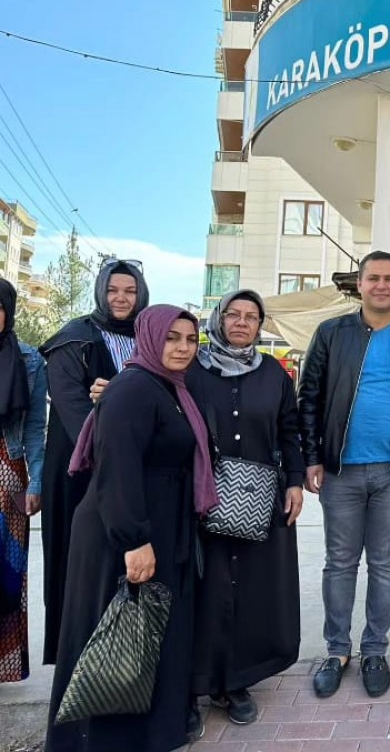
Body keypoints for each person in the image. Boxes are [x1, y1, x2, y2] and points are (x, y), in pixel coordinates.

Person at [45, 306, 217, 751]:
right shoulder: (133, 388)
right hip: (123, 532)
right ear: (149, 338)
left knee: (149, 636)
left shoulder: (170, 387)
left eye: (190, 339)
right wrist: (134, 539)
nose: (182, 348)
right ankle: (103, 741)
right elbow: (117, 467)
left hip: (160, 523)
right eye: (171, 338)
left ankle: (148, 735)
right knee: (116, 640)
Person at [298, 252, 390, 700]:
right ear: (360, 283)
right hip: (341, 470)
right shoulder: (332, 333)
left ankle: (374, 650)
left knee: (385, 564)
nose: (381, 285)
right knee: (339, 562)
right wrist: (311, 457)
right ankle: (337, 651)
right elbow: (309, 397)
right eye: (373, 277)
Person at [187, 290, 304, 726]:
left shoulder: (273, 374)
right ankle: (192, 685)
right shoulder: (191, 368)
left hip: (257, 501)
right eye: (233, 314)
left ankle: (234, 682)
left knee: (249, 591)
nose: (241, 322)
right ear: (218, 319)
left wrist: (295, 481)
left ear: (259, 325)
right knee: (206, 590)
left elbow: (289, 430)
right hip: (201, 501)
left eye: (251, 317)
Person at [38, 257, 148, 664]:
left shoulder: (149, 338)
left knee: (129, 560)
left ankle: (126, 658)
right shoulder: (74, 340)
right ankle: (77, 660)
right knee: (80, 563)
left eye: (130, 291)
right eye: (113, 290)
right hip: (80, 470)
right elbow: (73, 411)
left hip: (135, 469)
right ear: (100, 292)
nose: (121, 298)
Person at [0, 278, 47, 684]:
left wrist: (36, 483)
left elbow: (35, 429)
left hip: (9, 473)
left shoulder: (29, 361)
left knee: (7, 574)